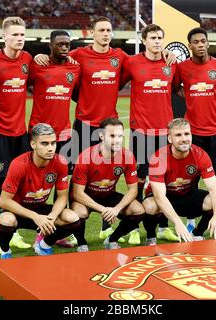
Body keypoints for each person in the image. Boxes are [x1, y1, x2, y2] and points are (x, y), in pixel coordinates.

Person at [34, 17, 175, 243]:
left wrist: (169, 53)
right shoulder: (79, 55)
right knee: (73, 176)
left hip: (110, 126)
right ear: (92, 33)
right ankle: (69, 227)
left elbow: (144, 65)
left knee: (110, 174)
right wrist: (40, 55)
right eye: (101, 30)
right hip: (84, 124)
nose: (106, 34)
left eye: (109, 30)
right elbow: (59, 63)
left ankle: (106, 227)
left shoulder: (121, 57)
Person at [120, 24, 180, 245]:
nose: (157, 41)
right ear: (143, 40)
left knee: (164, 181)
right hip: (141, 132)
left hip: (165, 133)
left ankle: (163, 226)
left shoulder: (171, 63)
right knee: (138, 180)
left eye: (160, 38)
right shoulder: (132, 62)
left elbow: (177, 88)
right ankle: (133, 227)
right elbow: (116, 84)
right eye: (153, 37)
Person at [177, 27, 216, 232]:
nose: (201, 45)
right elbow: (175, 87)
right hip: (192, 133)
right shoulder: (182, 68)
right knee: (191, 177)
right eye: (196, 42)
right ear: (190, 45)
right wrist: (191, 97)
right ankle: (191, 219)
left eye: (203, 41)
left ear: (208, 43)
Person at [0, 123, 82, 257]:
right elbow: (4, 201)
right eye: (45, 144)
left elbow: (62, 197)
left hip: (40, 208)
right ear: (33, 144)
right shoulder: (19, 165)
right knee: (7, 220)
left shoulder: (61, 162)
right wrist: (35, 217)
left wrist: (52, 216)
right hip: (15, 210)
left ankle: (44, 245)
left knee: (72, 218)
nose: (50, 148)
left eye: (53, 143)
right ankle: (5, 251)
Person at [29, 29, 81, 248]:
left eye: (67, 44)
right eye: (60, 44)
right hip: (40, 134)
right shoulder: (37, 65)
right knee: (35, 184)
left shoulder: (74, 67)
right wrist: (33, 57)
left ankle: (57, 230)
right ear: (50, 46)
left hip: (65, 136)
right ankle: (32, 226)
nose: (64, 47)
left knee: (63, 184)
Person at [0, 17, 33, 252]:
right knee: (0, 184)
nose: (19, 39)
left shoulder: (27, 59)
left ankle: (12, 230)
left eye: (22, 35)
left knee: (19, 185)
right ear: (4, 36)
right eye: (14, 35)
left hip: (20, 134)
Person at [143, 118, 216, 244]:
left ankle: (197, 234)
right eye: (178, 135)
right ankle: (151, 237)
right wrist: (178, 223)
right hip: (165, 198)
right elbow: (159, 196)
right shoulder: (159, 158)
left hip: (187, 195)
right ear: (170, 139)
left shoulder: (200, 155)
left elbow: (213, 188)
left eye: (187, 134)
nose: (184, 139)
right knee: (149, 206)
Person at [71, 118, 145, 252]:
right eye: (112, 136)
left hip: (108, 195)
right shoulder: (85, 157)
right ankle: (81, 243)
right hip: (86, 197)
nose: (117, 140)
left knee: (138, 210)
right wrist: (103, 210)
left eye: (120, 136)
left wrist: (116, 209)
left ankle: (112, 239)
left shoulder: (127, 156)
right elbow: (77, 193)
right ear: (101, 135)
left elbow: (133, 190)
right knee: (79, 213)